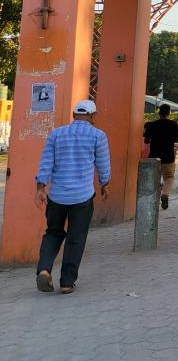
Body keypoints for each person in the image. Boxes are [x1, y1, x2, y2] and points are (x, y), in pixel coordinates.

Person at [34, 99, 111, 294]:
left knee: (53, 232)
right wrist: (104, 184)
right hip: (82, 198)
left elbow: (45, 163)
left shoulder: (56, 134)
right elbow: (103, 165)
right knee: (76, 238)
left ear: (74, 115)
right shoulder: (98, 135)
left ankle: (44, 270)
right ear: (93, 116)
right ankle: (67, 282)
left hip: (57, 196)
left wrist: (40, 188)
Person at [143, 103, 178, 209]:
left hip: (154, 157)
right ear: (168, 113)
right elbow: (177, 139)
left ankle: (152, 201)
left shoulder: (151, 125)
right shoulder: (173, 125)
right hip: (168, 157)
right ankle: (165, 194)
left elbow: (146, 141)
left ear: (159, 113)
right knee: (169, 177)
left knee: (154, 179)